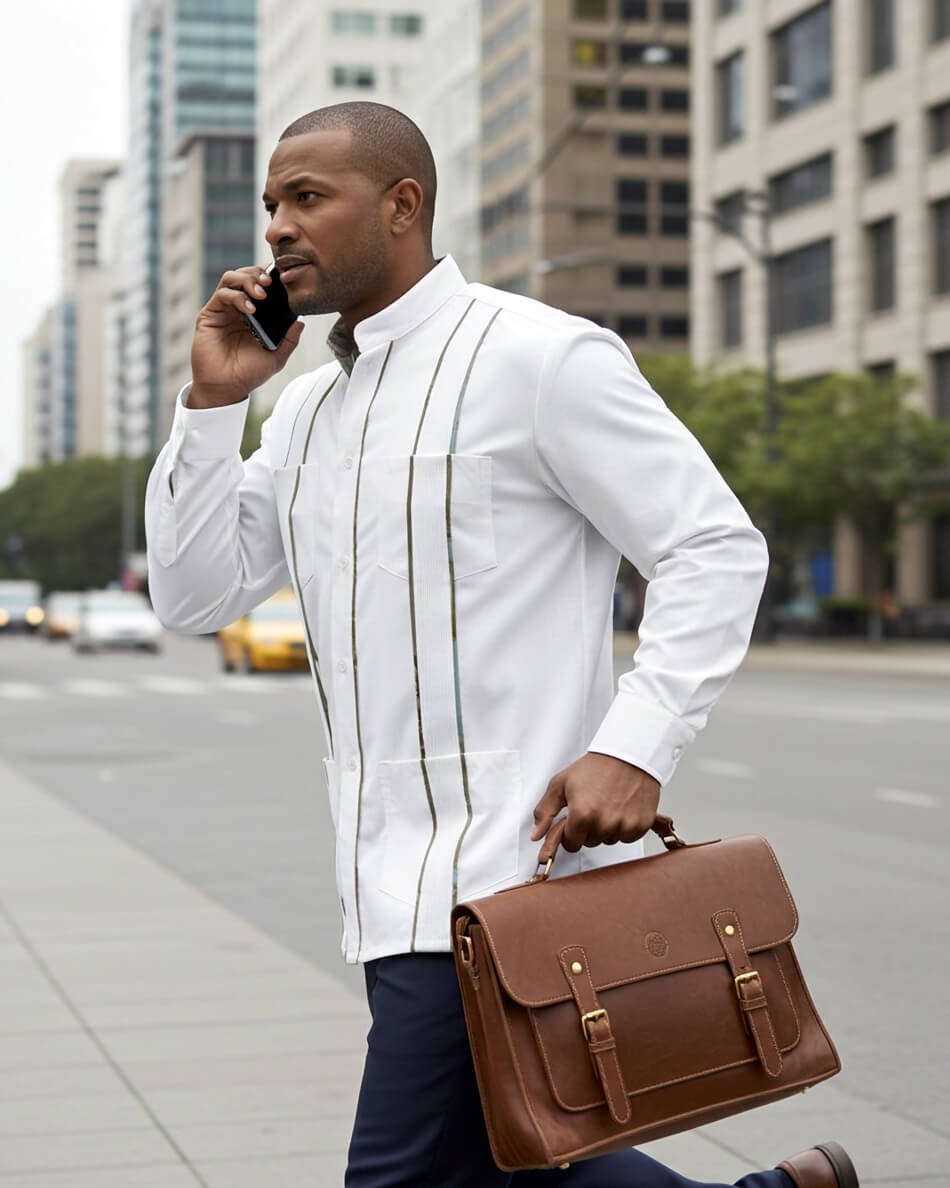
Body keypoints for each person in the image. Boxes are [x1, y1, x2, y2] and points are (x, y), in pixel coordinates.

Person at [144, 102, 859, 1188]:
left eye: (307, 198)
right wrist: (209, 405)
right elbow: (193, 596)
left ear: (401, 205)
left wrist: (637, 743)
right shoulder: (301, 416)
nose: (278, 228)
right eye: (271, 205)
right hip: (380, 886)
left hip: (514, 876)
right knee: (528, 1156)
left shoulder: (538, 357)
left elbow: (711, 546)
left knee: (400, 1175)